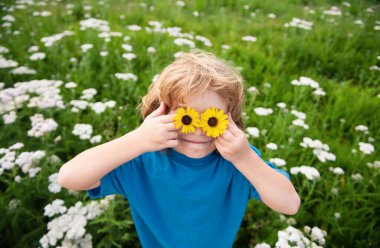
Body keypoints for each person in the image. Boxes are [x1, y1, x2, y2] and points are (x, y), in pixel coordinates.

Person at [58, 49, 300, 248]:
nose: (197, 130)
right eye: (185, 117)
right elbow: (69, 177)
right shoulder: (141, 159)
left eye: (211, 119)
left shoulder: (237, 162)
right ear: (157, 114)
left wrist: (246, 157)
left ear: (231, 122)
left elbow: (289, 204)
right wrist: (137, 140)